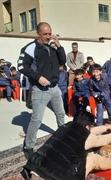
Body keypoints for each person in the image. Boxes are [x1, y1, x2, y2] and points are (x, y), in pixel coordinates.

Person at [21, 110, 111, 180]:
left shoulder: (65, 127)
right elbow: (103, 139)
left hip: (33, 168)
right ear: (88, 127)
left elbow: (90, 130)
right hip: (54, 176)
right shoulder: (85, 136)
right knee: (91, 158)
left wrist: (110, 127)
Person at [17, 22, 66, 159]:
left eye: (49, 33)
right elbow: (21, 66)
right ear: (38, 33)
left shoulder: (51, 47)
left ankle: (63, 137)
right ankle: (29, 146)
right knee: (36, 119)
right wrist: (38, 77)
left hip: (54, 88)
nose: (48, 36)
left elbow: (63, 60)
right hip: (40, 89)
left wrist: (58, 44)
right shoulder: (30, 48)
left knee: (60, 114)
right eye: (45, 34)